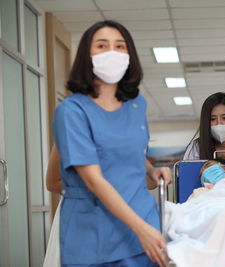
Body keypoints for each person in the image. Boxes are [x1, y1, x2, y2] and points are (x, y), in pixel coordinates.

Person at [51, 20, 171, 267]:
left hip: (143, 224)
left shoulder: (137, 104)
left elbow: (131, 152)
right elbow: (93, 181)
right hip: (94, 237)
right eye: (102, 46)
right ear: (87, 55)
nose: (112, 53)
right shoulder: (72, 112)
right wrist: (142, 230)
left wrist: (151, 170)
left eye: (120, 46)